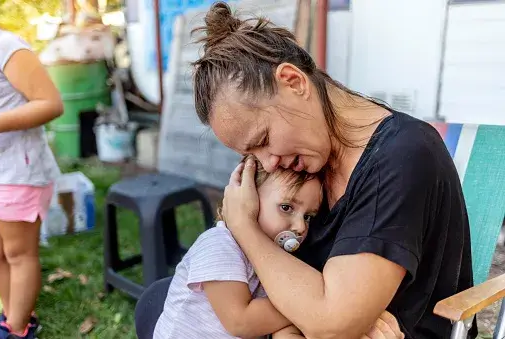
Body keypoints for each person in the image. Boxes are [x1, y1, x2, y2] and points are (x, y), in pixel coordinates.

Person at [191, 2, 477, 338]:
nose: (266, 163)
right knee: (159, 300)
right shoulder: (304, 161)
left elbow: (331, 323)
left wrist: (244, 228)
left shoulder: (402, 157)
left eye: (264, 139)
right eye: (250, 153)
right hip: (293, 325)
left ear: (294, 81)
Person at [153, 156, 403, 339]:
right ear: (247, 199)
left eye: (308, 216)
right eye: (286, 208)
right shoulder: (219, 245)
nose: (300, 227)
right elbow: (241, 321)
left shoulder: (272, 260)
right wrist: (326, 308)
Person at [0, 28, 63, 339]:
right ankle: (12, 317)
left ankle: (18, 330)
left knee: (19, 254)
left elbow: (50, 103)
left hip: (17, 172)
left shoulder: (5, 46)